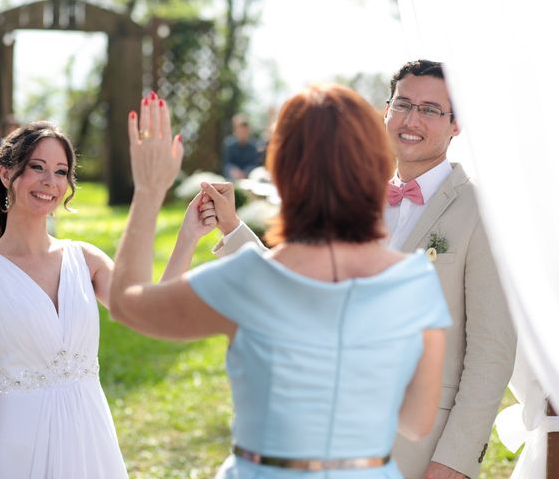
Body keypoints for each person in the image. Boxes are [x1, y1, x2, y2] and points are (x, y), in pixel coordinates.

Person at [109, 87, 451, 478]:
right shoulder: (415, 282)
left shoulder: (247, 279)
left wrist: (150, 190)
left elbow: (127, 303)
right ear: (374, 165)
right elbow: (417, 422)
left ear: (283, 169)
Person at [207, 60, 516, 479]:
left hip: (417, 450)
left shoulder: (482, 213)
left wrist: (454, 461)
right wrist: (232, 226)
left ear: (456, 124)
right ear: (386, 110)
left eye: (430, 110)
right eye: (403, 104)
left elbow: (490, 352)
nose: (411, 120)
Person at [0, 122, 128, 479]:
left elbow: (148, 307)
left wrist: (188, 234)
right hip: (18, 440)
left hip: (88, 435)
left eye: (61, 171)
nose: (50, 181)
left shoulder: (86, 260)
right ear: (6, 174)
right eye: (37, 167)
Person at [221, 113, 262, 179]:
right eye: (240, 130)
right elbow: (227, 164)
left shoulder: (254, 145)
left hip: (249, 178)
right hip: (233, 178)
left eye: (245, 131)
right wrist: (233, 171)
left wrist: (246, 172)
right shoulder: (229, 144)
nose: (242, 133)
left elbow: (255, 164)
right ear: (235, 130)